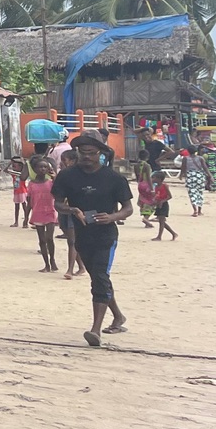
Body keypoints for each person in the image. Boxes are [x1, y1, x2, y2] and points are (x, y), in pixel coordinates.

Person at [53, 132, 134, 347]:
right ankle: (118, 316)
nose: (87, 157)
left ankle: (95, 330)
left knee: (99, 277)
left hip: (106, 235)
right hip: (81, 234)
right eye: (83, 153)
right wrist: (72, 210)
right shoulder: (66, 176)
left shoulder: (114, 178)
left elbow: (128, 209)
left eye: (91, 153)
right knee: (99, 278)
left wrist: (112, 217)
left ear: (100, 153)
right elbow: (58, 203)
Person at [56, 149, 85, 279]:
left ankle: (70, 269)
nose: (61, 163)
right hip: (64, 209)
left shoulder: (78, 175)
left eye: (64, 160)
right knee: (71, 238)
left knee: (72, 241)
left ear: (72, 161)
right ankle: (81, 266)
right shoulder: (63, 174)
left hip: (73, 209)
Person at [28, 157, 60, 272]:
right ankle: (46, 264)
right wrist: (26, 216)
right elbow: (29, 200)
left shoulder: (50, 183)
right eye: (40, 167)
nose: (42, 169)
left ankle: (52, 260)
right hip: (37, 213)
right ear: (34, 169)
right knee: (42, 240)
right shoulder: (31, 184)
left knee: (49, 238)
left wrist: (54, 177)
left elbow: (59, 192)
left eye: (45, 167)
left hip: (50, 212)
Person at [148, 169, 177, 241]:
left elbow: (169, 196)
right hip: (159, 204)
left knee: (161, 221)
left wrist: (162, 201)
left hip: (164, 205)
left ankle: (159, 236)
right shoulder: (156, 187)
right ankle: (173, 233)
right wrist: (154, 202)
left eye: (153, 178)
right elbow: (157, 196)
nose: (152, 179)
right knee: (162, 221)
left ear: (159, 179)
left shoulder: (164, 186)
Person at [182, 147, 209, 217]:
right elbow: (205, 168)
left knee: (192, 193)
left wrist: (181, 175)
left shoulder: (185, 158)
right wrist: (210, 176)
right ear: (196, 151)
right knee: (200, 193)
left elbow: (183, 168)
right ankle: (199, 211)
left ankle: (195, 211)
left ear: (188, 151)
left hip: (190, 176)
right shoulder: (200, 158)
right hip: (199, 176)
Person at [9, 156, 30, 228]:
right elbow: (5, 170)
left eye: (15, 166)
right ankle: (16, 222)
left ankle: (26, 221)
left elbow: (25, 168)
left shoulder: (22, 174)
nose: (13, 168)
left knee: (24, 207)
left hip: (22, 191)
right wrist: (10, 163)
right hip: (16, 192)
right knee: (17, 207)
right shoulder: (14, 173)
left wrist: (23, 162)